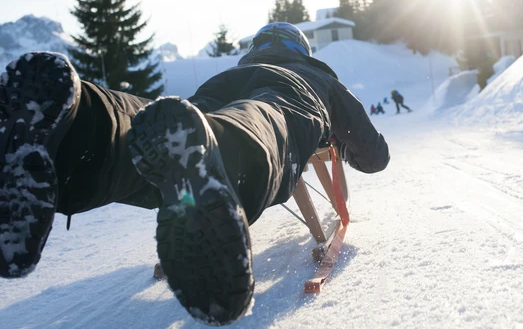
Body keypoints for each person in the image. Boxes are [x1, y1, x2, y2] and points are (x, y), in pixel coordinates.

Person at [0, 23, 389, 326]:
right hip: (294, 94)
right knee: (271, 120)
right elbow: (375, 155)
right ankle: (218, 154)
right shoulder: (319, 77)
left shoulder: (238, 70)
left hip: (217, 90)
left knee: (176, 133)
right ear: (300, 49)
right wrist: (347, 146)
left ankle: (79, 125)